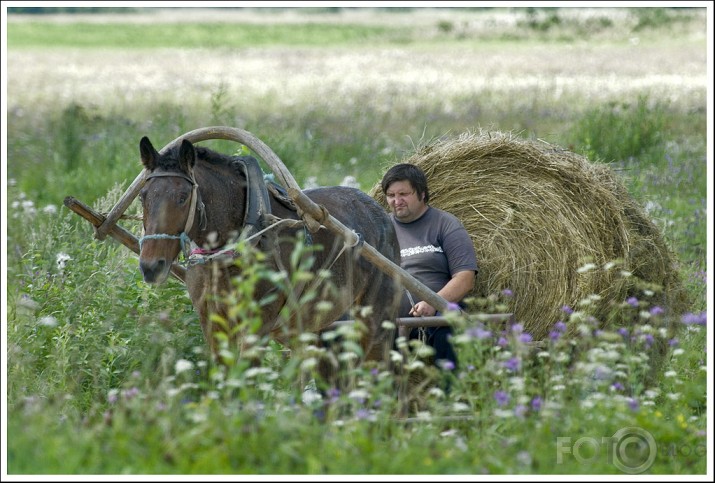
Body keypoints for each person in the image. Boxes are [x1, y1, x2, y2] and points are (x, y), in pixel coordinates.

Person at [381, 163, 478, 372]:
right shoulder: (380, 229)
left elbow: (465, 278)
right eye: (391, 195)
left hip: (438, 317)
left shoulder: (446, 225)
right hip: (390, 320)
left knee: (450, 336)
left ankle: (451, 400)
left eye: (403, 194)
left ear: (422, 193)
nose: (397, 201)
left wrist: (433, 303)